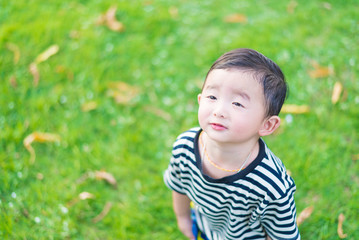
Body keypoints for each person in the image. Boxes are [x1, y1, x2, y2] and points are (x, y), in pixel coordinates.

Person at [164, 48, 300, 240]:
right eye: (212, 97)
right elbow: (178, 186)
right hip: (205, 231)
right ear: (200, 100)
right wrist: (183, 219)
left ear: (267, 124)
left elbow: (282, 236)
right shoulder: (185, 147)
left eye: (237, 103)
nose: (219, 110)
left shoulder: (271, 185)